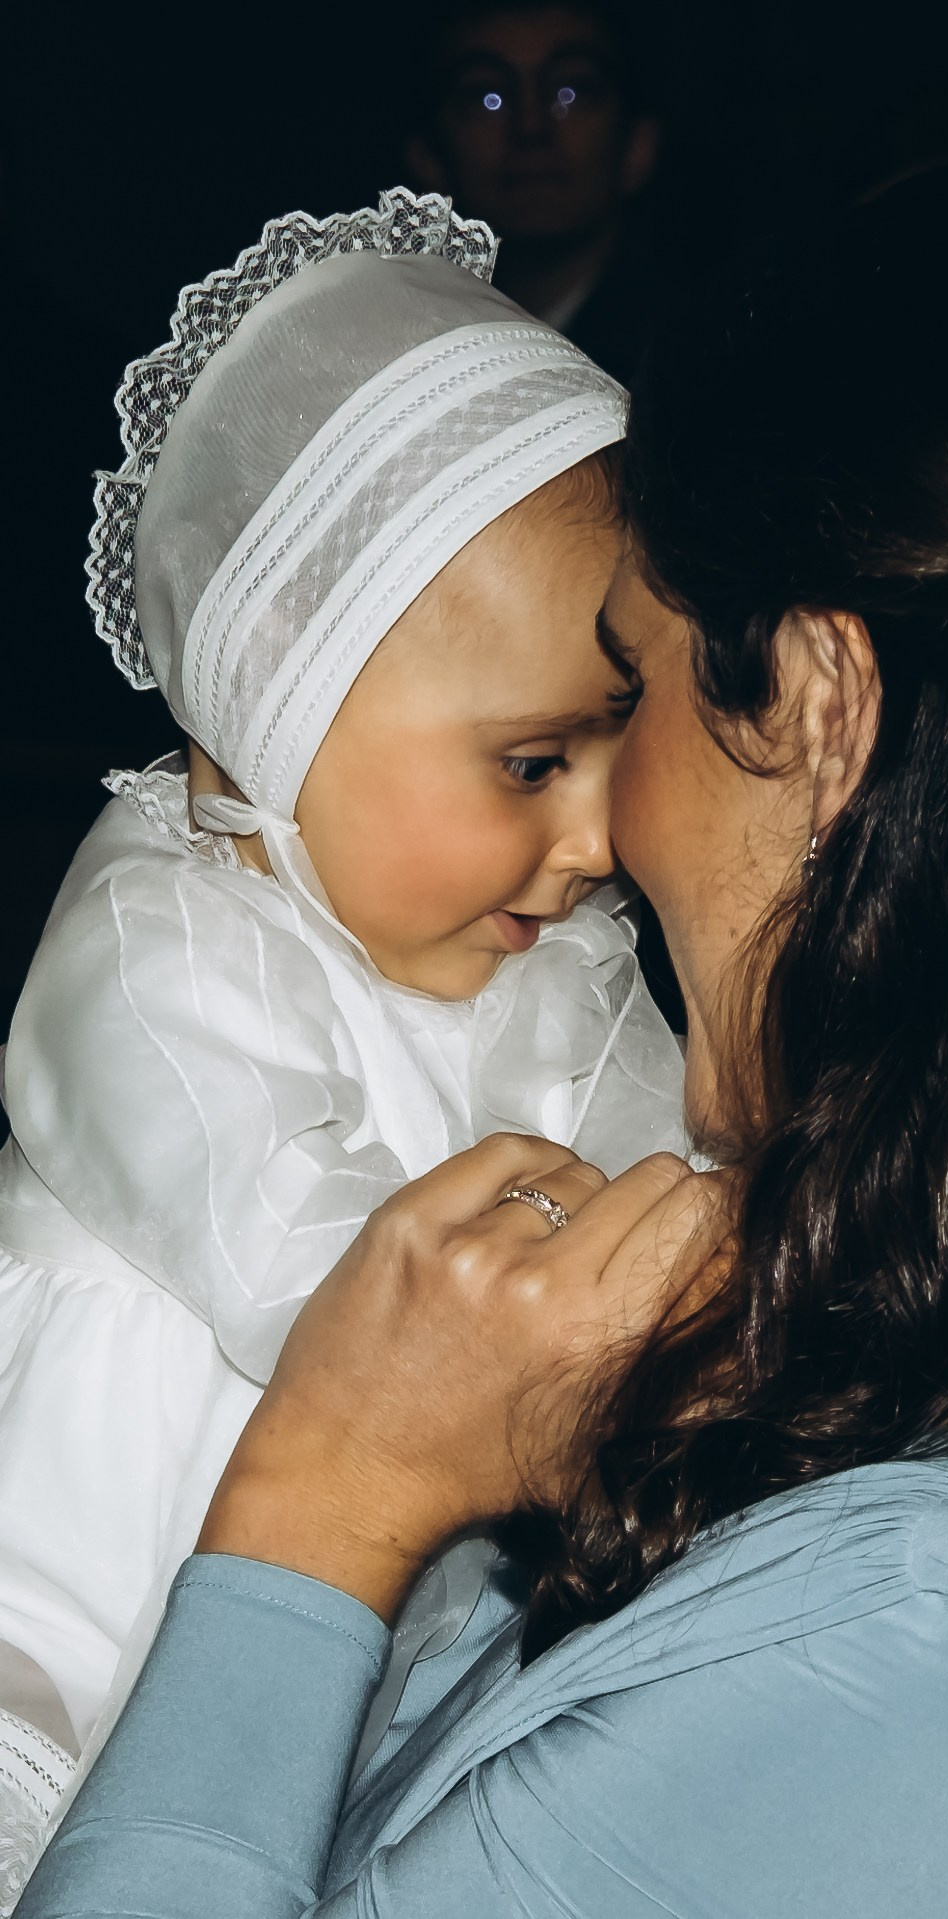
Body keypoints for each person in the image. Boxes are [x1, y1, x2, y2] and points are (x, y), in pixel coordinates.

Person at [21, 164, 948, 1919]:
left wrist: (328, 1495)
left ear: (820, 709)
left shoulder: (904, 1642)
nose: (609, 833)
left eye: (637, 681)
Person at [0, 185, 687, 1805]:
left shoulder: (548, 935)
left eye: (613, 741)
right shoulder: (157, 935)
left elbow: (658, 1160)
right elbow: (303, 1265)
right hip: (77, 1571)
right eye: (530, 759)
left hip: (385, 1597)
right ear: (273, 705)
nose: (594, 836)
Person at [404, 1, 664, 384]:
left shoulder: (693, 356)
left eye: (571, 91)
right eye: (487, 97)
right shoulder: (403, 352)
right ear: (428, 159)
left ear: (638, 148)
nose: (531, 127)